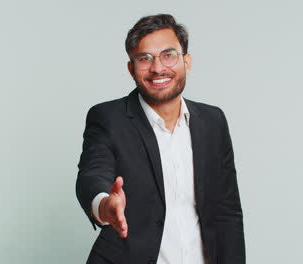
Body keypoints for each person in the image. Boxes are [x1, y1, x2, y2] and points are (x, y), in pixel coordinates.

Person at [76, 14, 245, 264]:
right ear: (131, 69)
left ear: (186, 61)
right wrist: (105, 206)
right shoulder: (108, 118)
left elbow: (227, 211)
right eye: (145, 59)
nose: (158, 68)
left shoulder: (213, 121)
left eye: (169, 55)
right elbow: (92, 174)